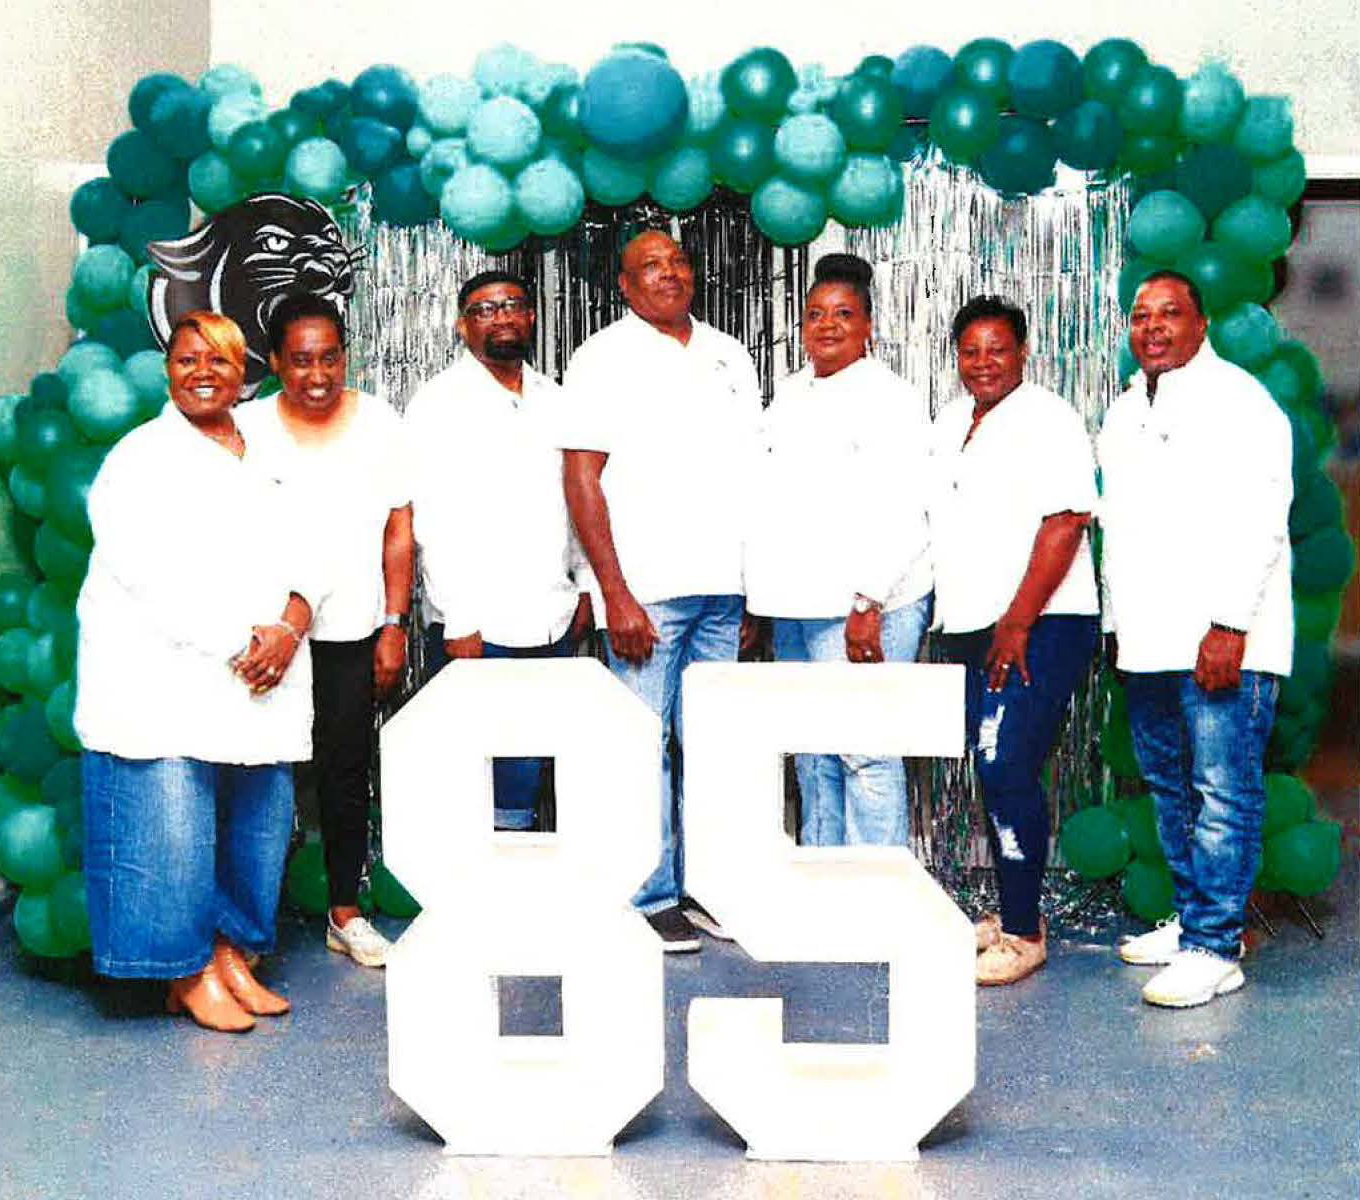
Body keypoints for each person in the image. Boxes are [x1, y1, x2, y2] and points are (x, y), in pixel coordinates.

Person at [76, 311, 320, 1032]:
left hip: (265, 672)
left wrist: (291, 624)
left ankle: (229, 952)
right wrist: (245, 644)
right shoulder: (139, 459)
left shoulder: (273, 447)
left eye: (219, 360)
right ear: (168, 372)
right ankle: (184, 972)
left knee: (255, 821)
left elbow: (321, 545)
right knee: (172, 829)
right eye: (187, 360)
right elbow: (145, 574)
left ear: (245, 371)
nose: (203, 373)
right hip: (168, 676)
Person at [560, 229, 762, 952]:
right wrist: (614, 592)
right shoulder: (601, 358)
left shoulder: (729, 355)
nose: (669, 273)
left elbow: (752, 477)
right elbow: (581, 478)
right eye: (650, 266)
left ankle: (709, 887)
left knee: (717, 746)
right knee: (644, 745)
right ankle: (650, 895)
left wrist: (753, 590)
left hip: (725, 590)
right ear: (624, 285)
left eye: (677, 261)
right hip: (647, 592)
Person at [1099, 271, 1292, 1009]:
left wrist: (1230, 623)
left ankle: (1216, 947)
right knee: (1171, 788)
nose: (1152, 327)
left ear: (1201, 324)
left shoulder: (1240, 402)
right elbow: (1121, 531)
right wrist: (1117, 627)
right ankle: (1192, 924)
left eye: (1169, 313)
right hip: (1147, 639)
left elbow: (1262, 518)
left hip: (1222, 637)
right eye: (1141, 315)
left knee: (1222, 791)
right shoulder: (1124, 411)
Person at [236, 293, 413, 970]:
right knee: (256, 772)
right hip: (266, 632)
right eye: (302, 360)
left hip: (350, 627)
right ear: (276, 362)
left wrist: (393, 622)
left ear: (345, 356)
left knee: (344, 770)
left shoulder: (379, 422)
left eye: (330, 358)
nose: (318, 374)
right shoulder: (246, 427)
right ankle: (243, 926)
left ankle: (345, 912)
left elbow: (399, 529)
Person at [927, 295, 1100, 987]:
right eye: (971, 351)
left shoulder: (1048, 419)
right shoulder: (950, 422)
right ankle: (1012, 911)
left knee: (1005, 766)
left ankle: (1026, 934)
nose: (984, 362)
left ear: (1023, 352)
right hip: (974, 625)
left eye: (997, 349)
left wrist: (1019, 621)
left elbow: (1066, 522)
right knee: (995, 769)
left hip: (1039, 624)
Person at [744, 253, 932, 845]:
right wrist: (755, 599)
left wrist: (868, 601)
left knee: (864, 750)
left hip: (864, 605)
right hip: (794, 607)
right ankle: (822, 881)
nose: (827, 325)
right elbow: (768, 501)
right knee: (812, 752)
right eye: (815, 314)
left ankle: (875, 891)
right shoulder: (788, 395)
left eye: (844, 314)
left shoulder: (892, 398)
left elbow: (908, 508)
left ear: (868, 325)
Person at [406, 270, 593, 831]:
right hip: (478, 624)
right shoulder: (439, 404)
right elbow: (431, 519)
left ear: (531, 316)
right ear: (462, 326)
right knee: (476, 761)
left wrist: (585, 585)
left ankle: (523, 867)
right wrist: (459, 620)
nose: (502, 317)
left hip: (552, 614)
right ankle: (473, 876)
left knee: (533, 759)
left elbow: (576, 498)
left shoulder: (555, 399)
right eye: (485, 309)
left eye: (512, 305)